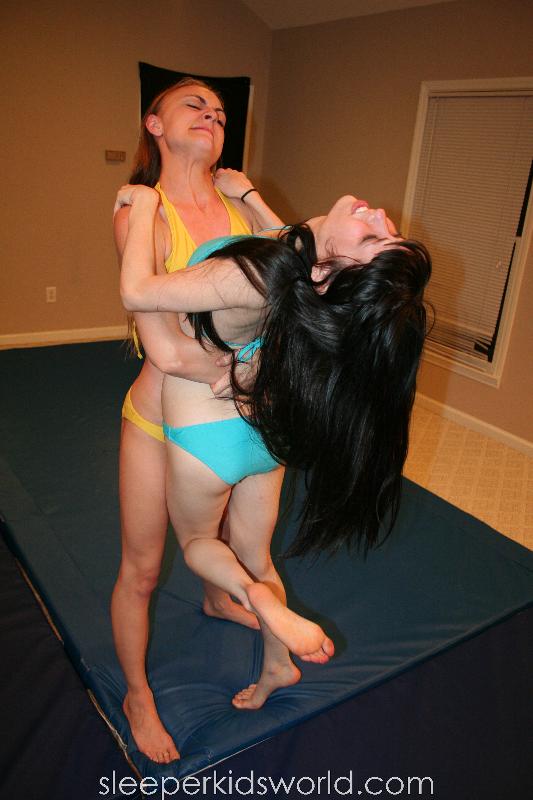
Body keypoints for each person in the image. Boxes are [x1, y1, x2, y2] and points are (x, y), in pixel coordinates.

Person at [116, 184, 432, 758]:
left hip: (200, 428)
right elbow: (296, 240)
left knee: (188, 548)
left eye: (374, 237)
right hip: (258, 429)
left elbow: (155, 325)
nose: (380, 215)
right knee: (256, 557)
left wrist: (141, 207)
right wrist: (251, 195)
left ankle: (182, 660)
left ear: (328, 273)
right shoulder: (308, 266)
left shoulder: (256, 274)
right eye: (386, 231)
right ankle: (276, 664)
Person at [111, 77, 284, 765]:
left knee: (233, 542)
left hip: (239, 409)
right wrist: (245, 374)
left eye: (219, 111)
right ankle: (136, 694)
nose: (212, 114)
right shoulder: (144, 212)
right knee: (144, 568)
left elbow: (300, 284)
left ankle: (217, 600)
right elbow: (163, 348)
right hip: (162, 416)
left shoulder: (241, 211)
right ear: (154, 124)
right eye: (194, 104)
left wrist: (252, 196)